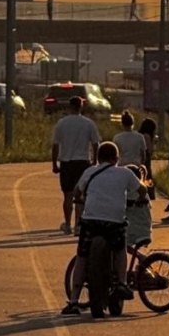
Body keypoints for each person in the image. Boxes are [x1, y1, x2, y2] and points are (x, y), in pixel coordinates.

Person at [62, 142, 149, 318]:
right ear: (116, 159)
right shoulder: (124, 172)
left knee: (82, 256)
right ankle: (122, 283)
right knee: (119, 248)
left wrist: (80, 199)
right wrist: (140, 198)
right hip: (114, 222)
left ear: (98, 158)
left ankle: (73, 301)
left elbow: (78, 192)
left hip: (90, 221)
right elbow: (142, 188)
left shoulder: (89, 172)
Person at [51, 95, 102, 235]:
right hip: (83, 163)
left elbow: (55, 145)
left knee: (67, 195)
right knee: (80, 196)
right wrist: (95, 161)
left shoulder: (61, 123)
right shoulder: (88, 123)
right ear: (81, 107)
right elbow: (96, 144)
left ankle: (67, 224)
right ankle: (78, 225)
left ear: (69, 107)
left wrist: (54, 163)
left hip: (66, 162)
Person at [124, 165, 154, 249]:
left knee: (118, 244)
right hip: (145, 230)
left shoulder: (130, 194)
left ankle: (141, 257)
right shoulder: (144, 193)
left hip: (134, 231)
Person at [139, 117, 158, 201]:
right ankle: (150, 195)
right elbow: (149, 150)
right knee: (148, 177)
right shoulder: (147, 136)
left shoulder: (139, 135)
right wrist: (153, 141)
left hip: (139, 159)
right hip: (146, 160)